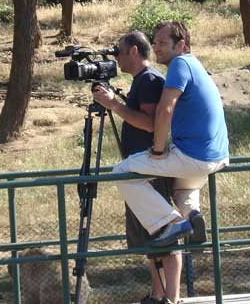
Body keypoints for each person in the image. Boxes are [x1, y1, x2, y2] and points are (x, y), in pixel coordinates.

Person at [111, 21, 230, 304]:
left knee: (121, 171)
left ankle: (171, 222)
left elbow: (164, 111)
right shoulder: (195, 64)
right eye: (156, 41)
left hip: (194, 157)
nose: (157, 47)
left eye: (163, 42)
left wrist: (157, 150)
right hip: (216, 157)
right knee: (182, 191)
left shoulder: (179, 65)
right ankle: (191, 215)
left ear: (181, 45)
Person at [92, 31, 181, 304]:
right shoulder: (141, 81)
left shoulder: (149, 80)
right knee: (151, 235)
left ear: (133, 50)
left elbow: (151, 123)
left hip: (151, 170)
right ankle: (157, 294)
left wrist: (113, 104)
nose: (115, 58)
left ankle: (173, 297)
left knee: (166, 234)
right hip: (140, 171)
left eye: (118, 51)